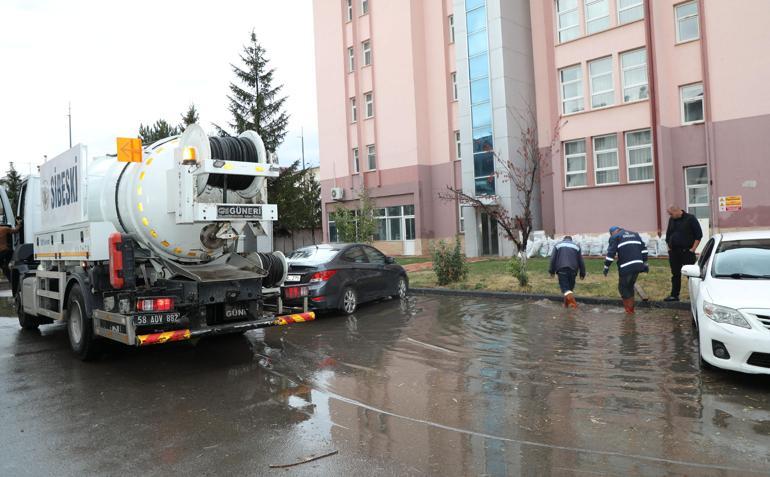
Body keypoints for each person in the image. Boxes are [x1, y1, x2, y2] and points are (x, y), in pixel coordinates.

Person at [603, 226, 648, 314]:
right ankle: (631, 310)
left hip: (626, 266)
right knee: (630, 286)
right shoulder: (635, 234)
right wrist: (645, 263)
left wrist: (606, 267)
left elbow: (611, 253)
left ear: (613, 232)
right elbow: (644, 250)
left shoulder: (616, 237)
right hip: (638, 265)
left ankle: (628, 311)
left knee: (623, 288)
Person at [664, 205, 703, 302]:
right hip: (674, 252)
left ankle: (696, 295)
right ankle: (674, 295)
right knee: (675, 274)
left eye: (671, 214)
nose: (670, 216)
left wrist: (693, 249)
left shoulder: (690, 218)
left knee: (691, 275)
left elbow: (698, 235)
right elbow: (668, 235)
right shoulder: (671, 220)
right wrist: (669, 248)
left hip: (687, 252)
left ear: (677, 211)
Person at [548, 235, 586, 308]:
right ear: (571, 240)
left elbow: (552, 259)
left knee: (565, 289)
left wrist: (551, 271)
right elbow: (581, 261)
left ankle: (574, 307)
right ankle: (566, 306)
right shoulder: (576, 246)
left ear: (564, 239)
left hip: (562, 269)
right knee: (569, 290)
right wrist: (582, 273)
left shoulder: (558, 245)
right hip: (573, 270)